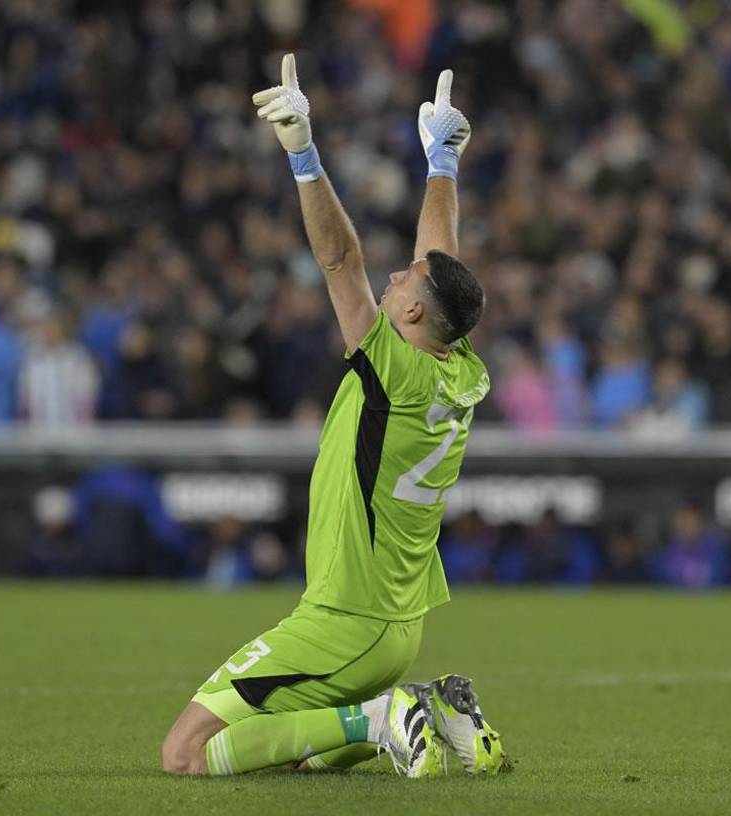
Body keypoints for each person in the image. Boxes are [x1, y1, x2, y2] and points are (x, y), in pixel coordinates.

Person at [160, 56, 504, 779]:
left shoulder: (393, 369)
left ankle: (381, 718)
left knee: (185, 755)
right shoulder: (459, 365)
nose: (395, 276)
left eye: (404, 281)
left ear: (414, 315)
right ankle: (431, 712)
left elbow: (341, 261)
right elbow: (441, 262)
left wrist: (304, 155)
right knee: (294, 750)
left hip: (344, 621)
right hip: (397, 624)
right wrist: (442, 162)